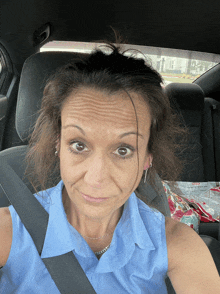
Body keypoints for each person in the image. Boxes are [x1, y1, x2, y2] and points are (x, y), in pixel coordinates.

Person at [0, 43, 220, 294]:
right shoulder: (9, 231)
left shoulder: (177, 244)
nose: (96, 178)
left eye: (123, 150)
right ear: (58, 144)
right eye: (79, 145)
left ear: (148, 157)